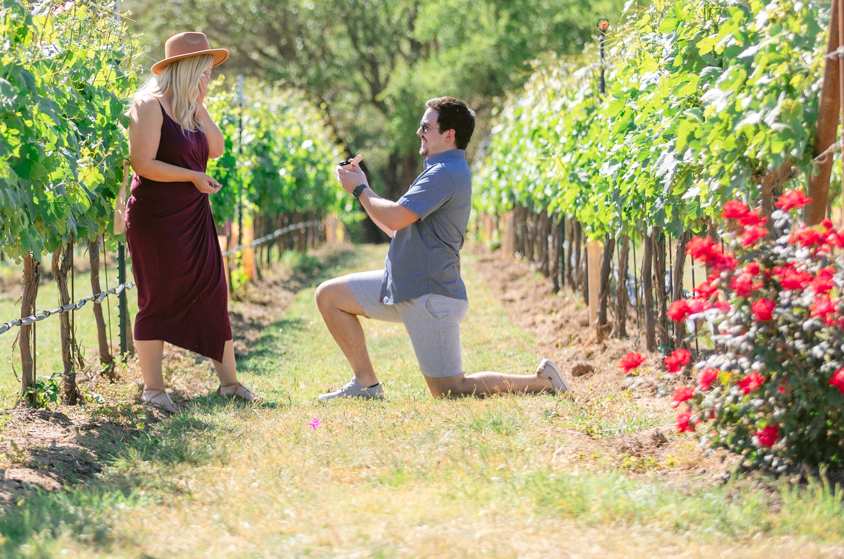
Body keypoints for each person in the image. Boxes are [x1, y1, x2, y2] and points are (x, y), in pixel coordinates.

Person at [315, 96, 569, 399]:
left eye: (426, 127)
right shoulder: (438, 170)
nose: (419, 132)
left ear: (449, 135)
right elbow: (395, 227)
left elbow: (394, 217)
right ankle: (366, 384)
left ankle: (544, 383)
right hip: (405, 284)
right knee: (330, 296)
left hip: (429, 293)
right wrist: (362, 191)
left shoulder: (445, 173)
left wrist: (360, 188)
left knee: (450, 390)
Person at [125, 31, 257, 412]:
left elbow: (216, 149)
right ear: (184, 70)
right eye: (203, 72)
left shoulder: (189, 108)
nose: (208, 80)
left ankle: (230, 384)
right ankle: (153, 389)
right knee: (158, 297)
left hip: (194, 214)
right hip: (157, 217)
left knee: (213, 290)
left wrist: (200, 105)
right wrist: (191, 177)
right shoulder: (148, 106)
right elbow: (143, 164)